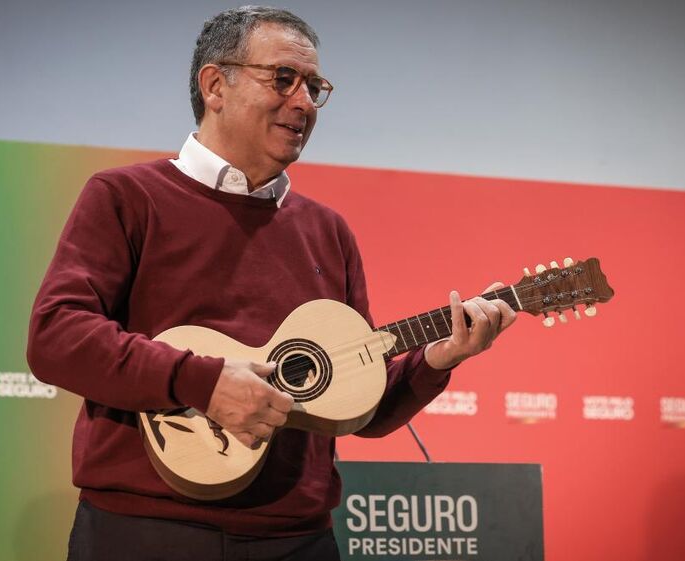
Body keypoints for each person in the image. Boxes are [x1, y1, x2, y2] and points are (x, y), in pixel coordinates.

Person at [27, 6, 515, 560]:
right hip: (143, 532)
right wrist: (202, 381)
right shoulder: (124, 197)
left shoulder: (328, 231)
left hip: (299, 540)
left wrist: (438, 358)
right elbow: (57, 338)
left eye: (314, 86)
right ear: (215, 85)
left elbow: (359, 405)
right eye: (283, 79)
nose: (304, 102)